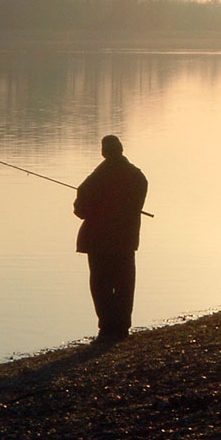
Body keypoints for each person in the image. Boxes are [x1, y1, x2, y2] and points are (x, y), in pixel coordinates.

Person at [74, 135, 148, 344]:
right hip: (126, 239)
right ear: (121, 149)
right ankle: (122, 326)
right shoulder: (138, 176)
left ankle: (107, 327)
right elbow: (136, 204)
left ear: (104, 152)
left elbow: (80, 209)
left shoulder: (97, 177)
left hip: (98, 240)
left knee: (100, 283)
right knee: (125, 283)